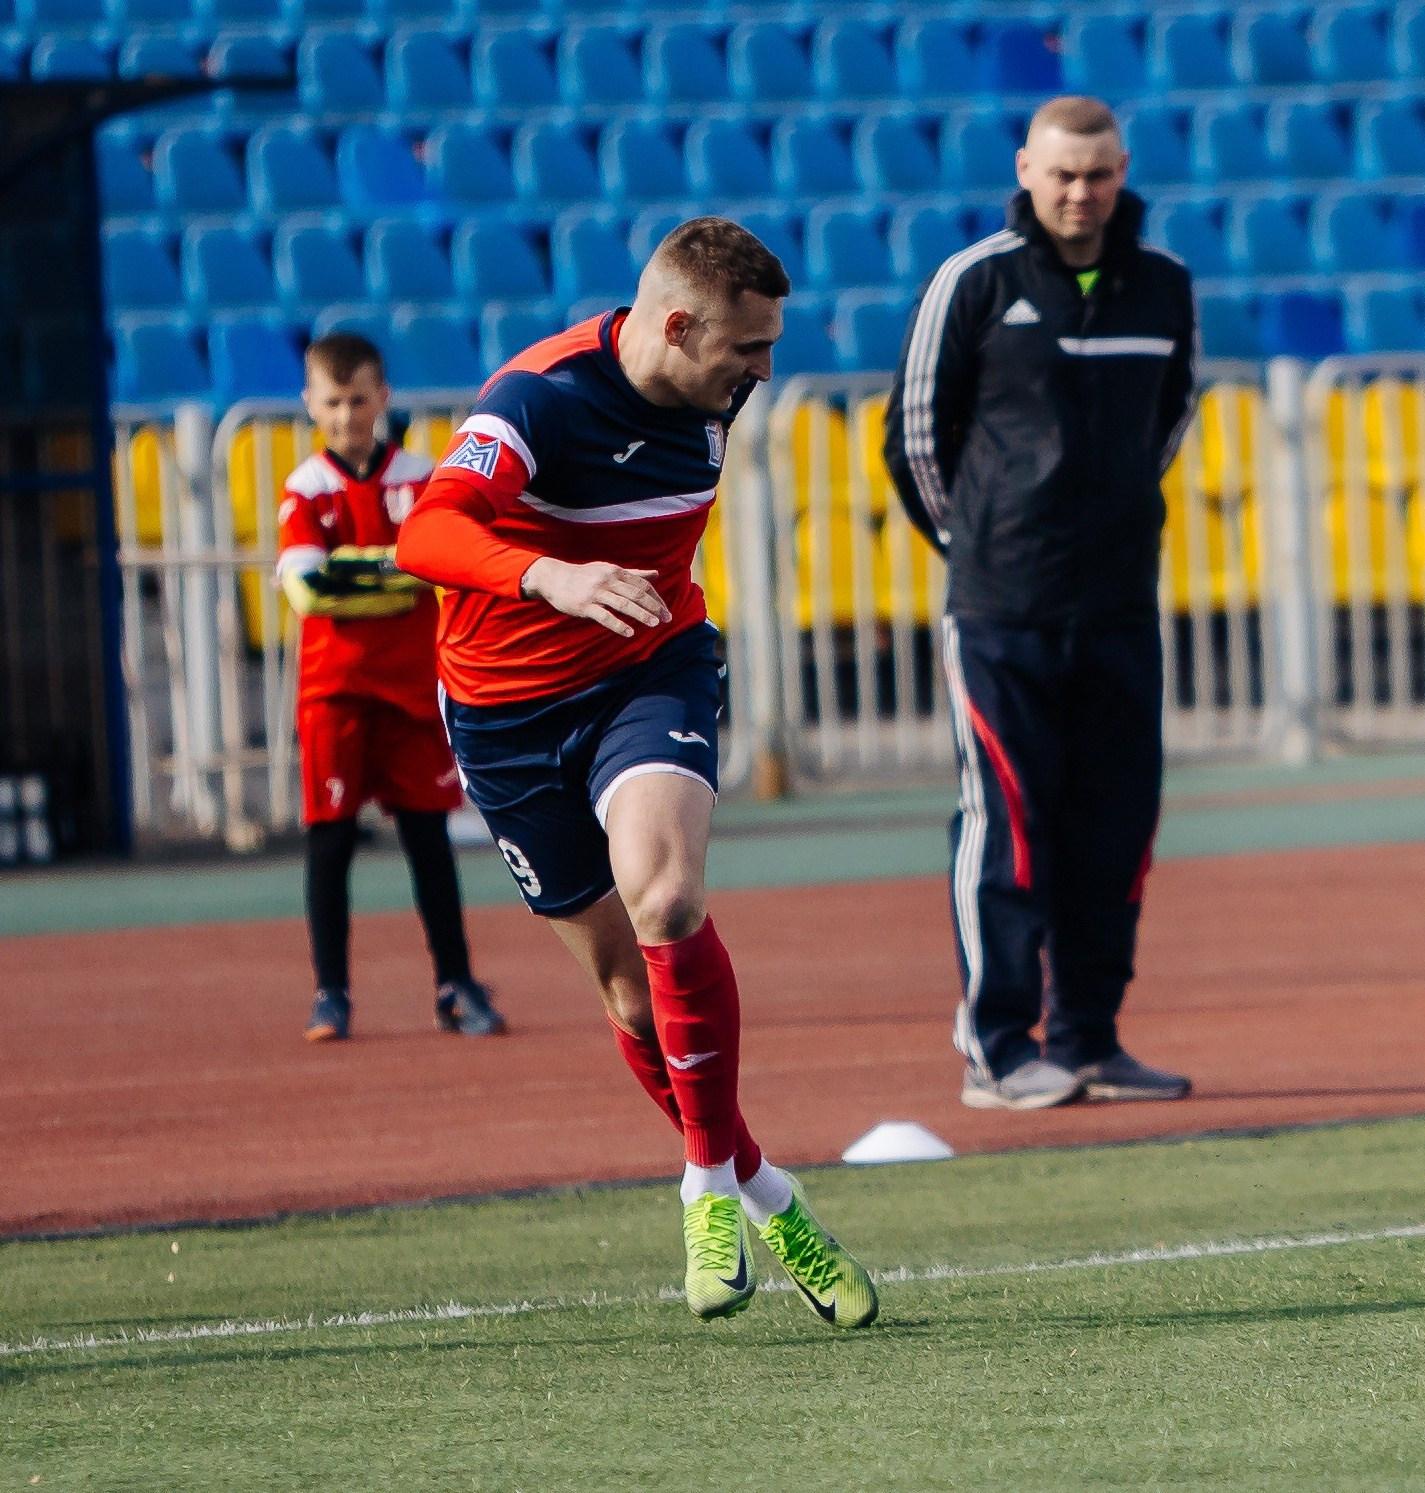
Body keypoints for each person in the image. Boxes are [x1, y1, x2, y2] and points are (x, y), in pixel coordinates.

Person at [395, 219, 877, 1327]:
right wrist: (548, 578)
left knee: (666, 897)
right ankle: (762, 1184)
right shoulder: (536, 397)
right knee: (625, 990)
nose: (766, 372)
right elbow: (428, 534)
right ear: (676, 325)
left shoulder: (721, 391)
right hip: (503, 717)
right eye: (748, 349)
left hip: (647, 666)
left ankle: (704, 1183)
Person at [882, 96, 1199, 1113]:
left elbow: (1171, 417)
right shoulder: (971, 280)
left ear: (1122, 171)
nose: (1079, 192)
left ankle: (1090, 1038)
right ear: (1026, 168)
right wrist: (979, 543)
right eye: (1061, 173)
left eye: (1098, 174)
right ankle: (999, 1047)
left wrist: (1108, 529)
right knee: (1010, 826)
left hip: (1117, 608)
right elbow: (915, 437)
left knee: (1115, 828)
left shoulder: (1165, 285)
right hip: (999, 610)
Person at [277, 332, 503, 1044]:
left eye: (359, 398)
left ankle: (455, 981)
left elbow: (444, 565)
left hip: (411, 689)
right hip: (334, 690)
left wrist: (358, 569)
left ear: (384, 397)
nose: (348, 414)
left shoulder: (421, 477)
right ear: (312, 404)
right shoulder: (306, 489)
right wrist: (395, 571)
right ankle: (331, 992)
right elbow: (309, 591)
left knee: (428, 841)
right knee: (330, 841)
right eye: (334, 401)